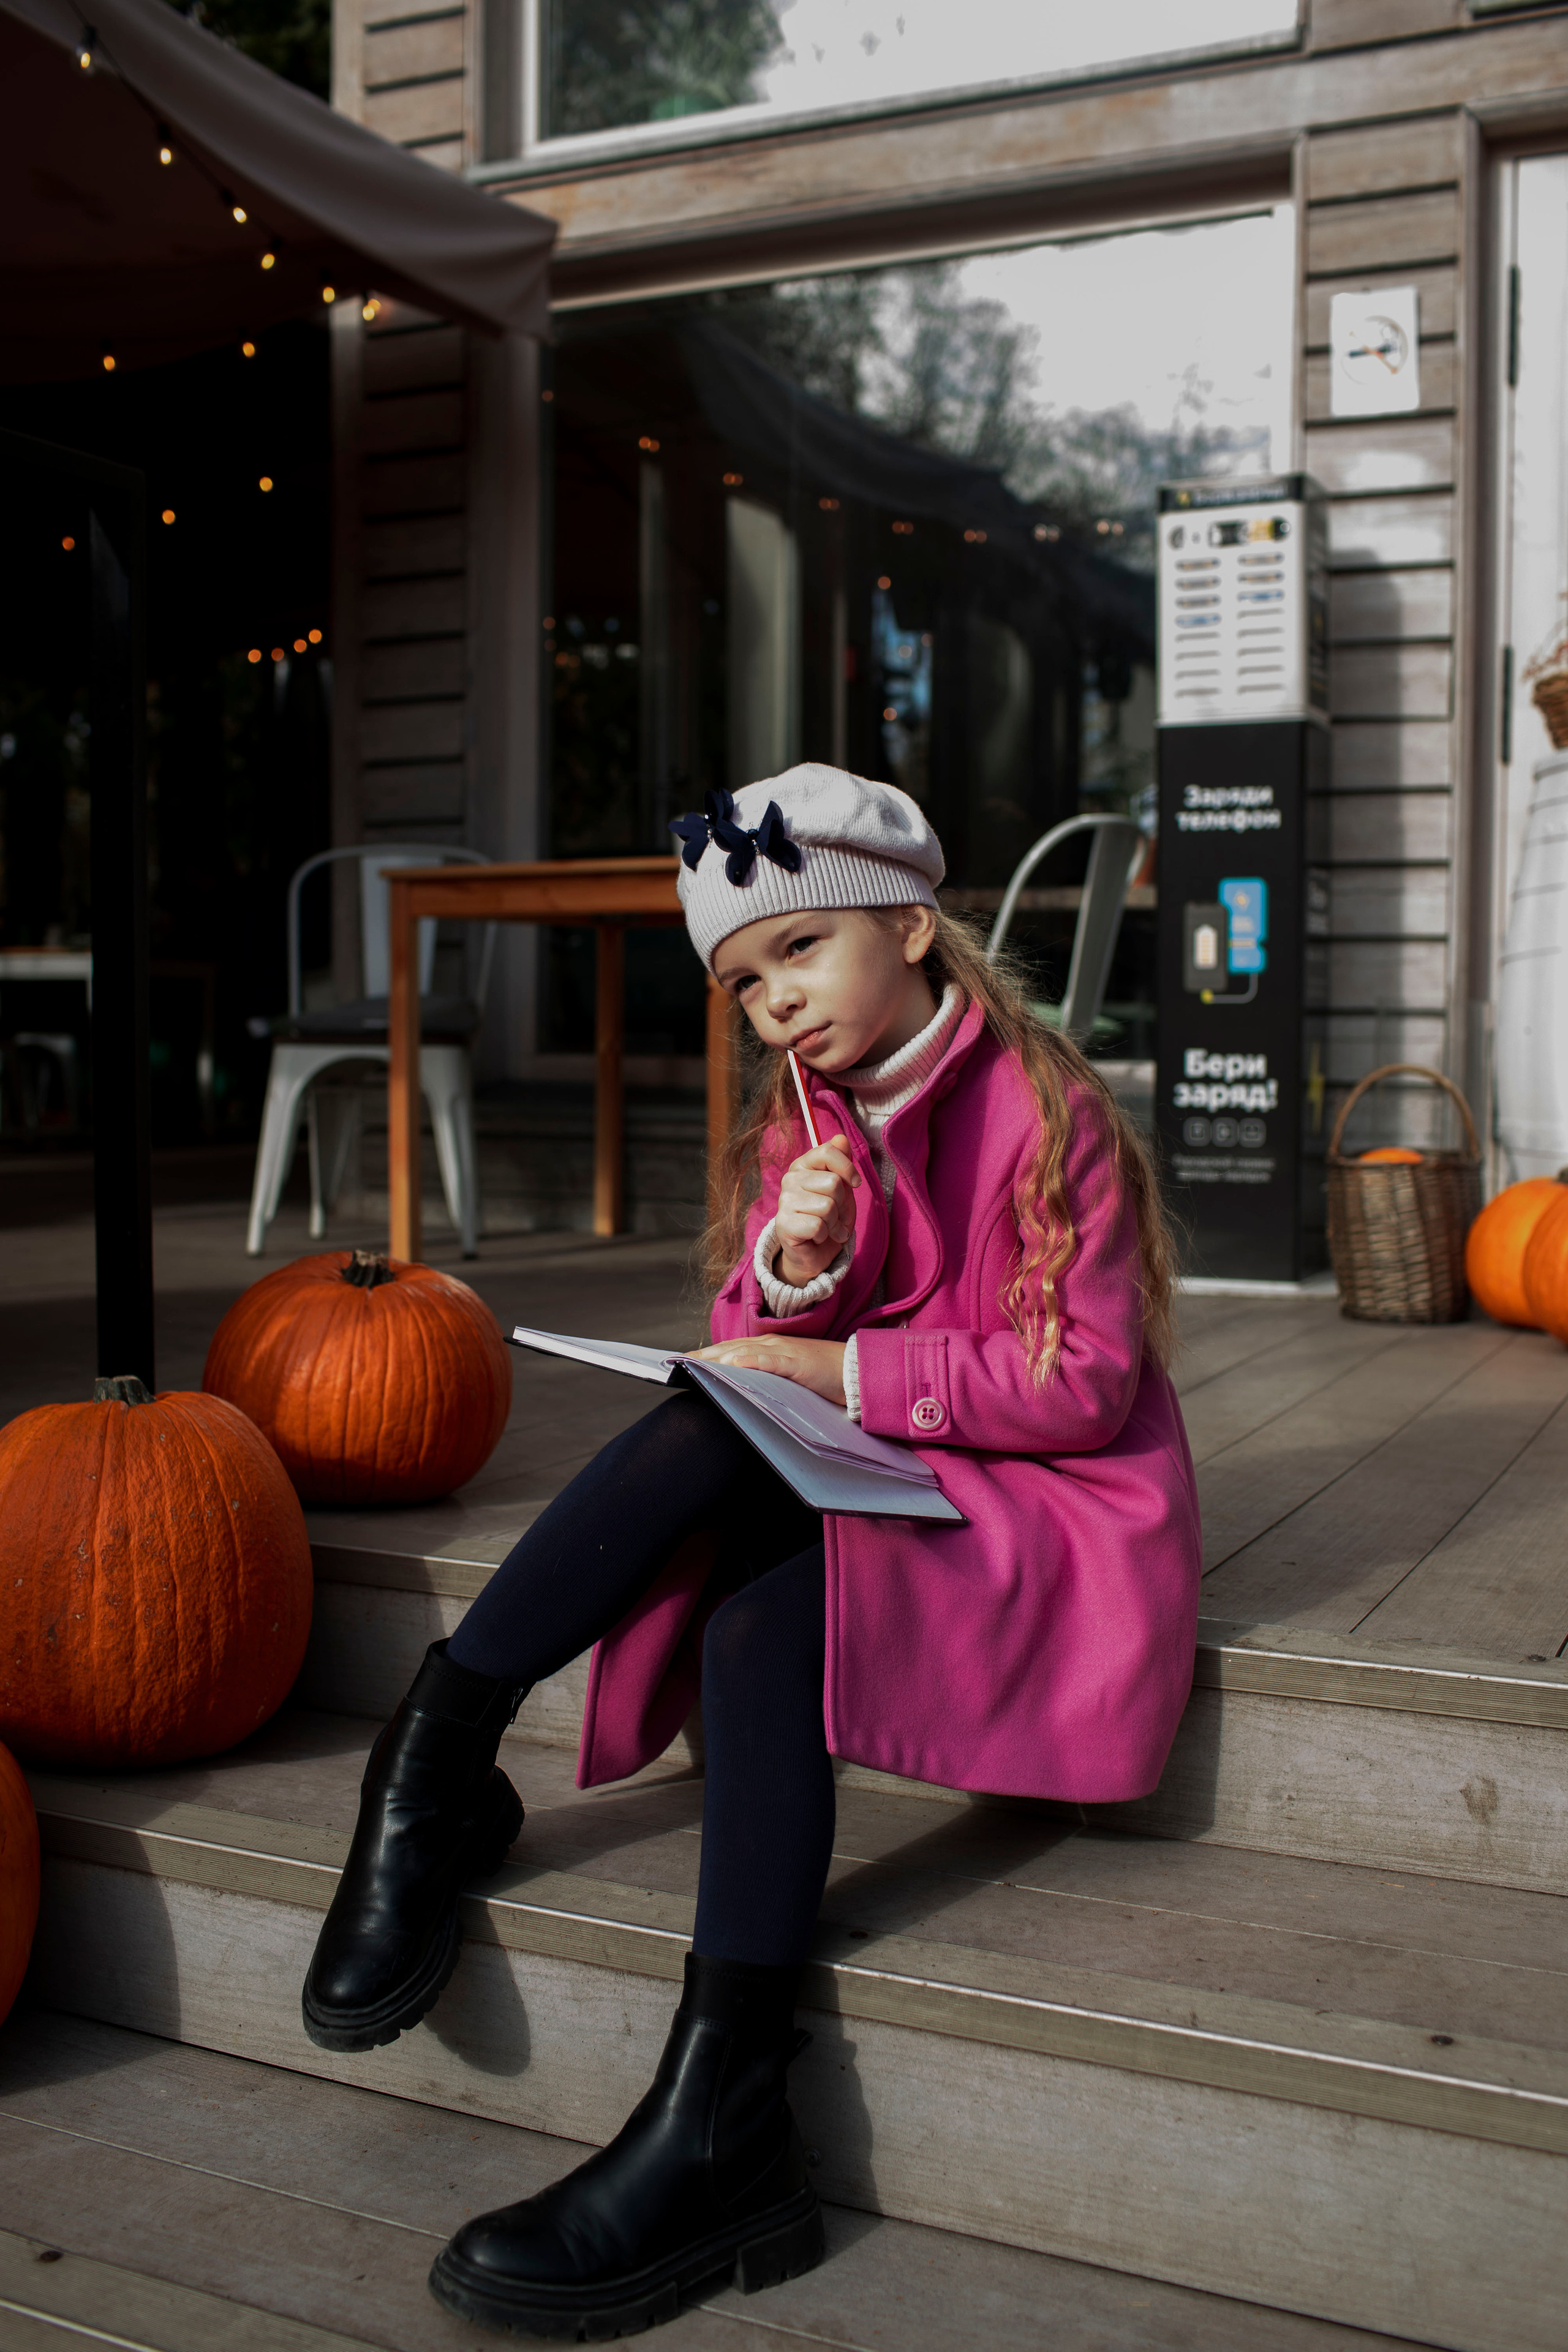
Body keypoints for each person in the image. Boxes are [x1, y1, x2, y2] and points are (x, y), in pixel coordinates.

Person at [300, 764, 1202, 2340]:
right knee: (728, 1511)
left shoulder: (1043, 1109)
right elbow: (755, 1358)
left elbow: (1083, 1386)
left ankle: (445, 1768)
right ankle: (707, 2105)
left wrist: (840, 1366)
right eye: (739, 983)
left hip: (1051, 1511)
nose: (773, 1005)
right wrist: (793, 1269)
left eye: (798, 952)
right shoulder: (810, 1125)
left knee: (744, 1533)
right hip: (912, 1476)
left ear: (910, 928)